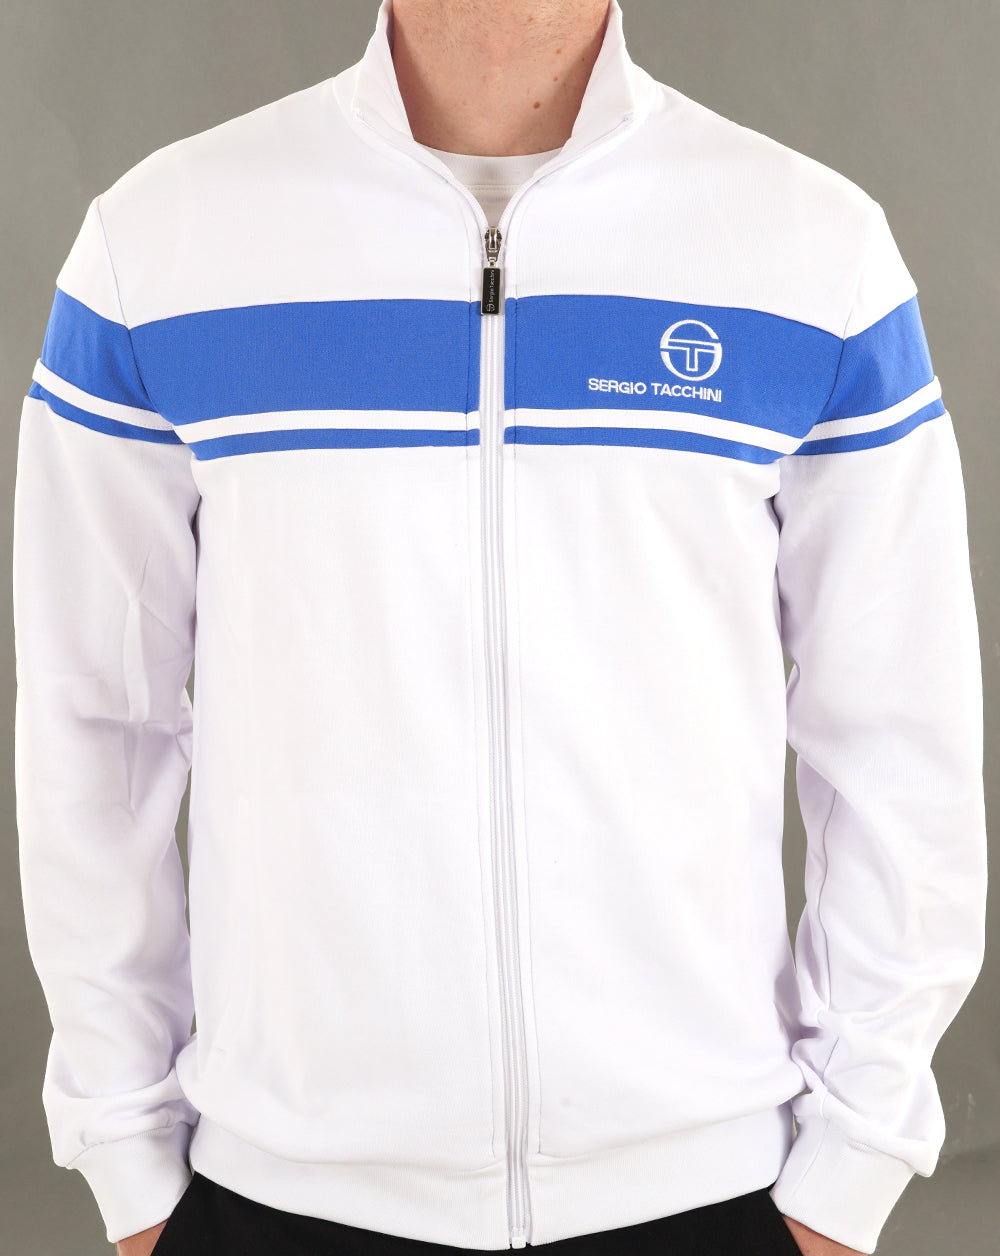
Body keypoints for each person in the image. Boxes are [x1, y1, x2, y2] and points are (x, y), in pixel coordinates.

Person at [12, 0, 987, 1254]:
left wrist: (852, 1160)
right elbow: (96, 721)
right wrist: (126, 1149)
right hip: (276, 1187)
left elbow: (898, 733)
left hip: (709, 1187)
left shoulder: (810, 248)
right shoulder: (163, 242)